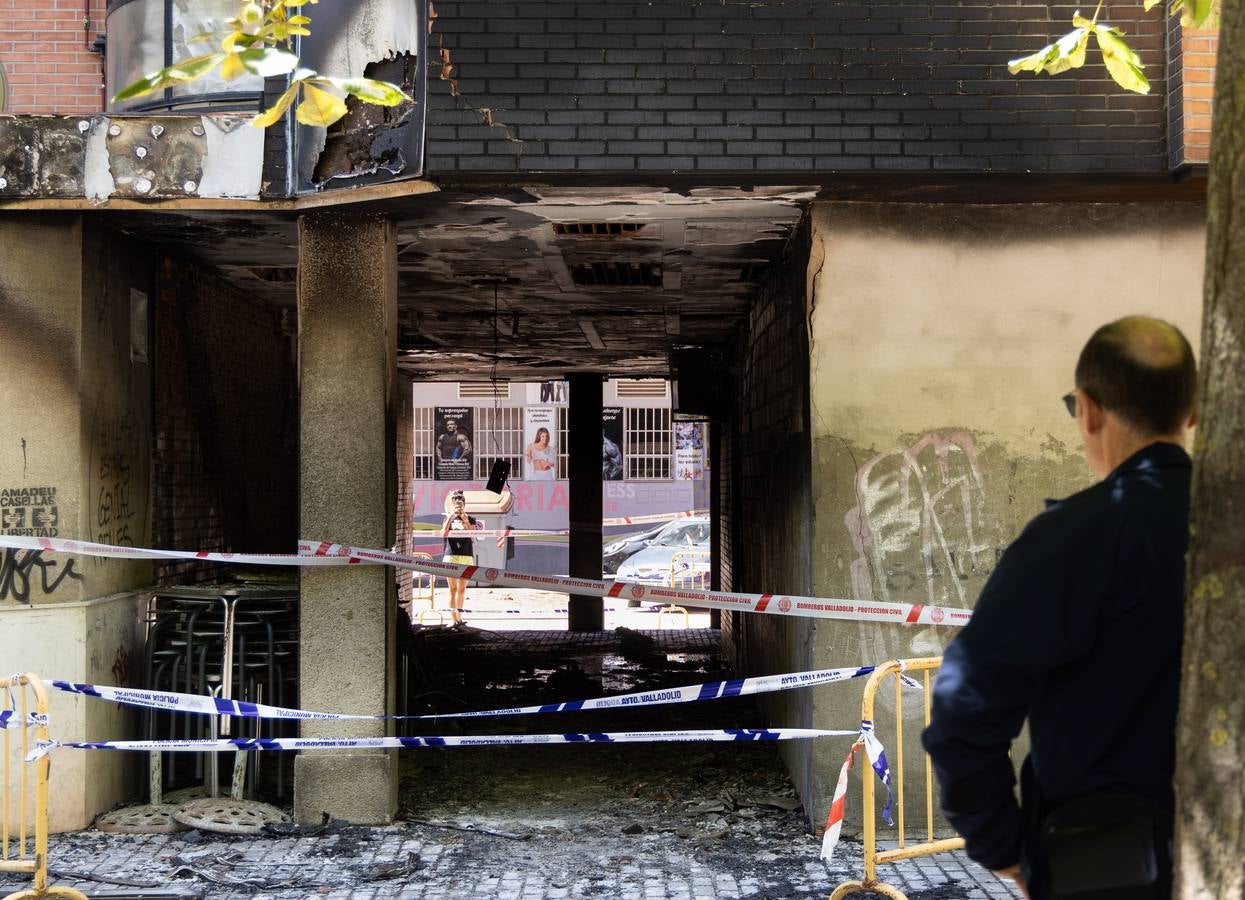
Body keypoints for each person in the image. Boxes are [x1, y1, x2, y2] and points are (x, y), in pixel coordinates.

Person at [922, 316, 1197, 900]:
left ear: (1089, 412)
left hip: (1105, 868)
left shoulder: (1074, 538)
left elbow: (963, 713)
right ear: (1191, 413)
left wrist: (1007, 851)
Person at [440, 489, 477, 625]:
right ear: (452, 506)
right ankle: (453, 619)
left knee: (462, 589)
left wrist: (466, 521)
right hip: (451, 556)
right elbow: (442, 532)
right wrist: (450, 516)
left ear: (464, 506)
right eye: (456, 507)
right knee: (452, 589)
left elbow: (473, 536)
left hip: (466, 556)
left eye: (460, 507)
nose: (458, 509)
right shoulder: (448, 518)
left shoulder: (470, 519)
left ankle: (459, 617)